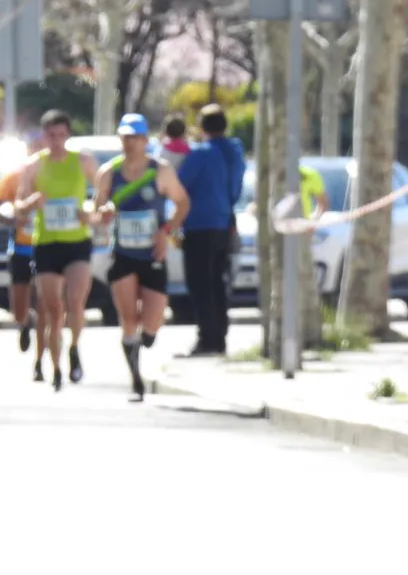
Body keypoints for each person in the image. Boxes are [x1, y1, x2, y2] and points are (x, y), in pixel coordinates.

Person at [90, 114, 191, 400]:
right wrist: (103, 215)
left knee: (152, 320)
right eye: (125, 136)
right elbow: (97, 213)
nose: (130, 142)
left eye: (135, 136)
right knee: (127, 318)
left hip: (152, 252)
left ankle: (148, 335)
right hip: (122, 252)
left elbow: (183, 202)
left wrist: (166, 230)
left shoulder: (160, 171)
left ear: (146, 140)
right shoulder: (109, 173)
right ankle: (135, 377)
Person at [15, 109, 98, 390]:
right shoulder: (34, 166)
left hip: (77, 242)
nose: (56, 140)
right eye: (51, 135)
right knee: (53, 309)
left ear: (68, 135)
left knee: (75, 299)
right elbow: (18, 205)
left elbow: (102, 196)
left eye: (61, 135)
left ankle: (74, 348)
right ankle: (56, 367)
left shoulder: (83, 161)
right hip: (47, 243)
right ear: (44, 136)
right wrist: (31, 203)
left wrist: (90, 211)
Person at [175, 104, 244, 356]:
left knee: (200, 284)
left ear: (202, 126)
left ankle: (207, 338)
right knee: (217, 282)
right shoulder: (235, 151)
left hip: (199, 224)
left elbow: (179, 184)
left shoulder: (201, 153)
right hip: (225, 221)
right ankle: (219, 338)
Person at [0, 134, 47, 379]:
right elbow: (2, 205)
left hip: (49, 246)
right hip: (21, 247)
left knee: (46, 302)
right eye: (34, 148)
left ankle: (42, 358)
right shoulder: (14, 176)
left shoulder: (54, 175)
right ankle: (25, 322)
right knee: (19, 307)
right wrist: (10, 215)